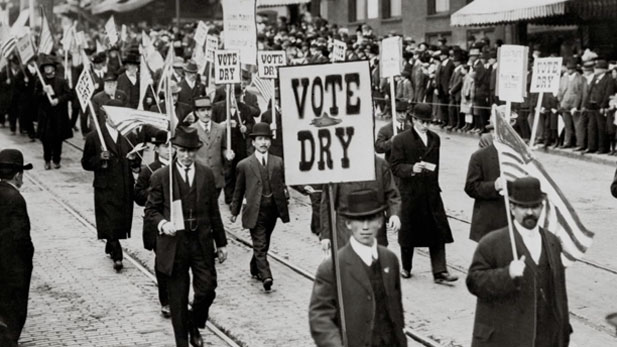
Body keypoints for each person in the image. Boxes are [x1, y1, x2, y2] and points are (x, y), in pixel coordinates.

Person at [145, 126, 228, 347]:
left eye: (191, 151)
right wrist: (163, 224)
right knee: (178, 300)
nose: (187, 156)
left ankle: (195, 322)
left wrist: (221, 243)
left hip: (200, 243)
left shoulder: (206, 174)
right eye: (182, 150)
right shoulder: (161, 177)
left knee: (207, 289)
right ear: (175, 150)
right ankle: (182, 341)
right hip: (174, 246)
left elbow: (213, 211)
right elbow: (151, 211)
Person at [466, 176, 572, 347]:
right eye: (523, 207)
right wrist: (506, 275)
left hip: (545, 338)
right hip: (507, 337)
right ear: (512, 207)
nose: (530, 212)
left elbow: (560, 293)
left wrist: (562, 333)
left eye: (535, 206)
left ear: (542, 206)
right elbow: (474, 282)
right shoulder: (491, 243)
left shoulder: (552, 242)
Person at [309, 189, 407, 347]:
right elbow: (320, 318)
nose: (365, 227)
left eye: (371, 220)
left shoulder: (390, 260)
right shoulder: (332, 268)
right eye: (359, 221)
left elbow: (395, 310)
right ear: (348, 223)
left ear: (380, 222)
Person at [390, 103, 458, 283]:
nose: (425, 125)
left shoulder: (435, 138)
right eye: (422, 122)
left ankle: (440, 271)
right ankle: (406, 267)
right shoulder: (400, 140)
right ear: (413, 120)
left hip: (431, 192)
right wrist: (412, 168)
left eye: (428, 122)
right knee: (409, 232)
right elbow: (395, 167)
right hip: (410, 194)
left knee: (438, 231)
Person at [230, 122, 289, 292]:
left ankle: (255, 267)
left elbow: (286, 182)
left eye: (266, 139)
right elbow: (238, 190)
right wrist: (234, 211)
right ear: (253, 142)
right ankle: (266, 276)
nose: (263, 143)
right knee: (260, 244)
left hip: (273, 210)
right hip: (255, 211)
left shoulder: (277, 162)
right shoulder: (244, 165)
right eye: (260, 139)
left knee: (265, 242)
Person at [81, 99, 140, 271]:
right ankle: (117, 254)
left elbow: (136, 162)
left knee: (119, 220)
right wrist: (100, 158)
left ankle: (110, 242)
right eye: (112, 115)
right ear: (106, 116)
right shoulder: (95, 137)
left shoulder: (129, 136)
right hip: (105, 187)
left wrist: (133, 159)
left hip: (123, 185)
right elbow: (85, 162)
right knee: (109, 219)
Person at [320, 155, 401, 251]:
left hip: (375, 232)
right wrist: (326, 235)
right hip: (347, 232)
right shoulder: (338, 166)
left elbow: (392, 194)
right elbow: (328, 203)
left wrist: (394, 214)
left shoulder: (380, 165)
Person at [133, 130, 172, 318]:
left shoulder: (179, 167)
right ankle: (166, 301)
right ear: (157, 148)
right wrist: (152, 192)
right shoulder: (149, 170)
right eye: (165, 146)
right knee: (162, 263)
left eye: (172, 146)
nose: (169, 150)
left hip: (176, 222)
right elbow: (138, 196)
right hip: (157, 224)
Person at [0, 149, 34, 347]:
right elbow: (21, 239)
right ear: (18, 175)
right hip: (13, 270)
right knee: (13, 317)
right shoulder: (15, 199)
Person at [464, 128, 507, 242]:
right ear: (493, 133)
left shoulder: (519, 156)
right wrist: (494, 186)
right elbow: (470, 187)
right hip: (488, 223)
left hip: (511, 224)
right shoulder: (479, 157)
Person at [190, 96, 232, 198]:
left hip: (216, 176)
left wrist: (227, 153)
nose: (206, 113)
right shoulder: (191, 130)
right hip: (198, 176)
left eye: (208, 109)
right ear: (197, 113)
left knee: (213, 207)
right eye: (202, 110)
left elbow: (223, 147)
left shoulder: (220, 128)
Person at [36, 55, 73, 170]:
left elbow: (69, 95)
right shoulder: (40, 81)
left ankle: (56, 160)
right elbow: (35, 97)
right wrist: (42, 92)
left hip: (58, 115)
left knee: (58, 139)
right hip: (46, 115)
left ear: (53, 69)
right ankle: (47, 160)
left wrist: (58, 100)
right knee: (46, 139)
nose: (48, 69)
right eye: (46, 68)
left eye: (49, 67)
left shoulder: (61, 81)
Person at [375, 100, 412, 164]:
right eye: (399, 112)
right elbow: (378, 148)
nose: (402, 115)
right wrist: (390, 142)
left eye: (404, 112)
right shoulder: (385, 129)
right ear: (394, 113)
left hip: (406, 166)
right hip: (391, 165)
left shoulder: (410, 129)